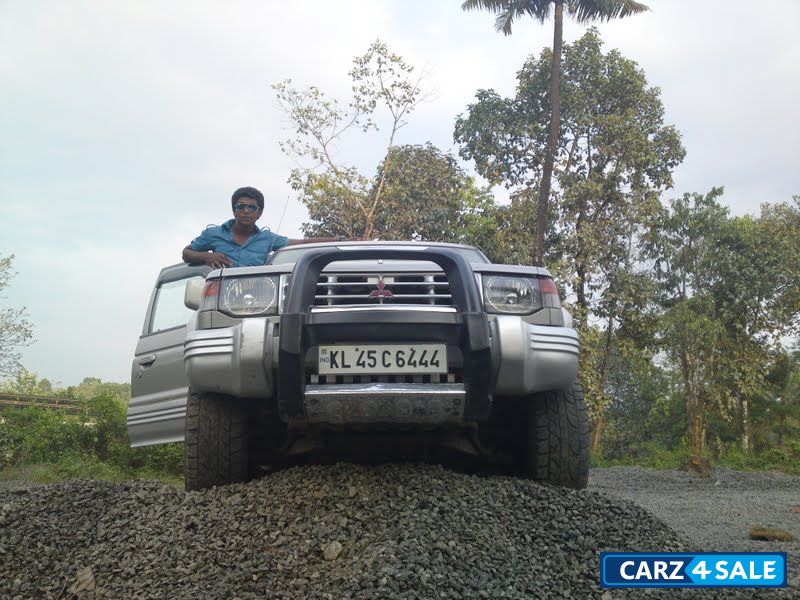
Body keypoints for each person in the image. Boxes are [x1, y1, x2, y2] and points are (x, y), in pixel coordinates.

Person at [182, 186, 347, 268]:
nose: (246, 211)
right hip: (220, 298)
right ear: (234, 210)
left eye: (252, 207)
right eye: (241, 206)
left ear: (259, 213)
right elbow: (187, 253)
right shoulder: (213, 233)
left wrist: (340, 240)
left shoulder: (267, 239)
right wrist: (207, 256)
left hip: (256, 299)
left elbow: (301, 243)